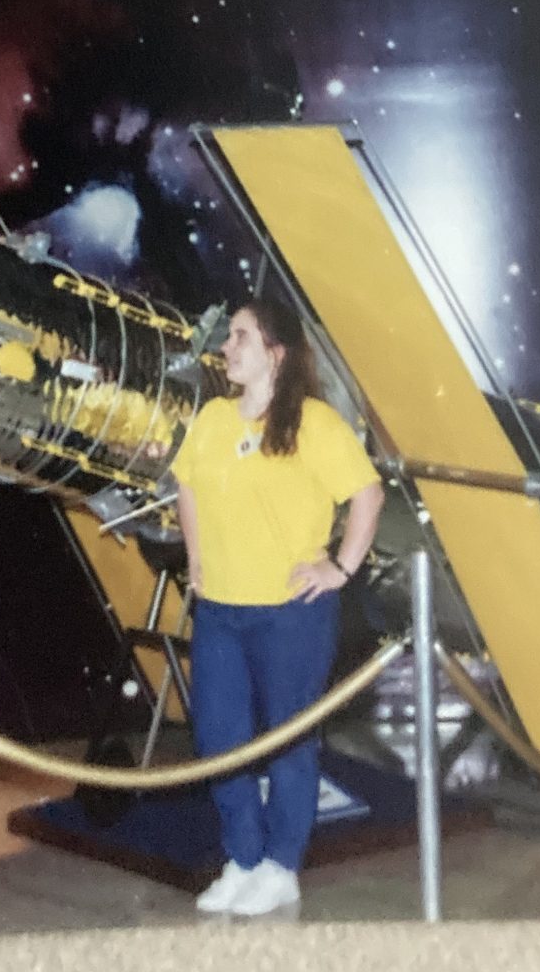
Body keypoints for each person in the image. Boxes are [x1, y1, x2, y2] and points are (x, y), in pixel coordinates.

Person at [172, 298, 384, 918]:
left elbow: (366, 495)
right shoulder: (212, 418)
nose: (227, 348)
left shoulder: (313, 422)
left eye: (240, 337)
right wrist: (196, 558)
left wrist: (339, 569)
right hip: (220, 612)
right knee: (219, 738)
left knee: (292, 741)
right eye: (229, 338)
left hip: (290, 614)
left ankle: (281, 866)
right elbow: (186, 484)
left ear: (276, 353)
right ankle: (242, 858)